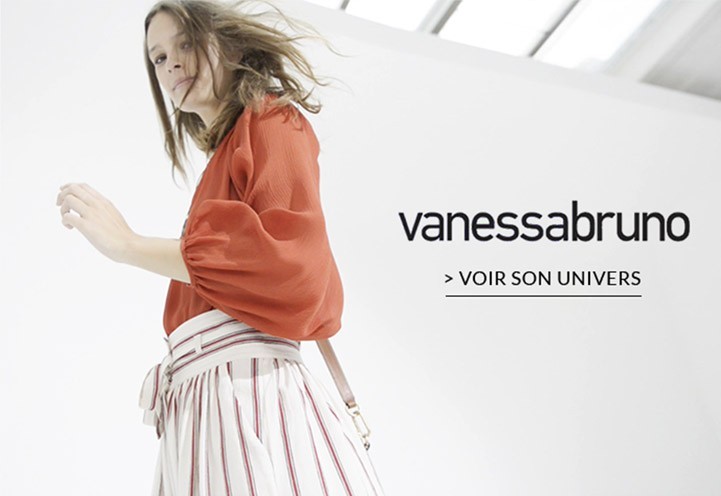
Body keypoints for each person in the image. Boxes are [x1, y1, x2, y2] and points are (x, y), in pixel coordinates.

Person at [55, 0, 385, 494]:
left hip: (245, 394)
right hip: (204, 401)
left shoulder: (272, 121)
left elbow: (292, 267)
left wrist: (128, 245)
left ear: (226, 42)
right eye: (159, 58)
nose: (172, 65)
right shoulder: (225, 154)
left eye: (185, 43)